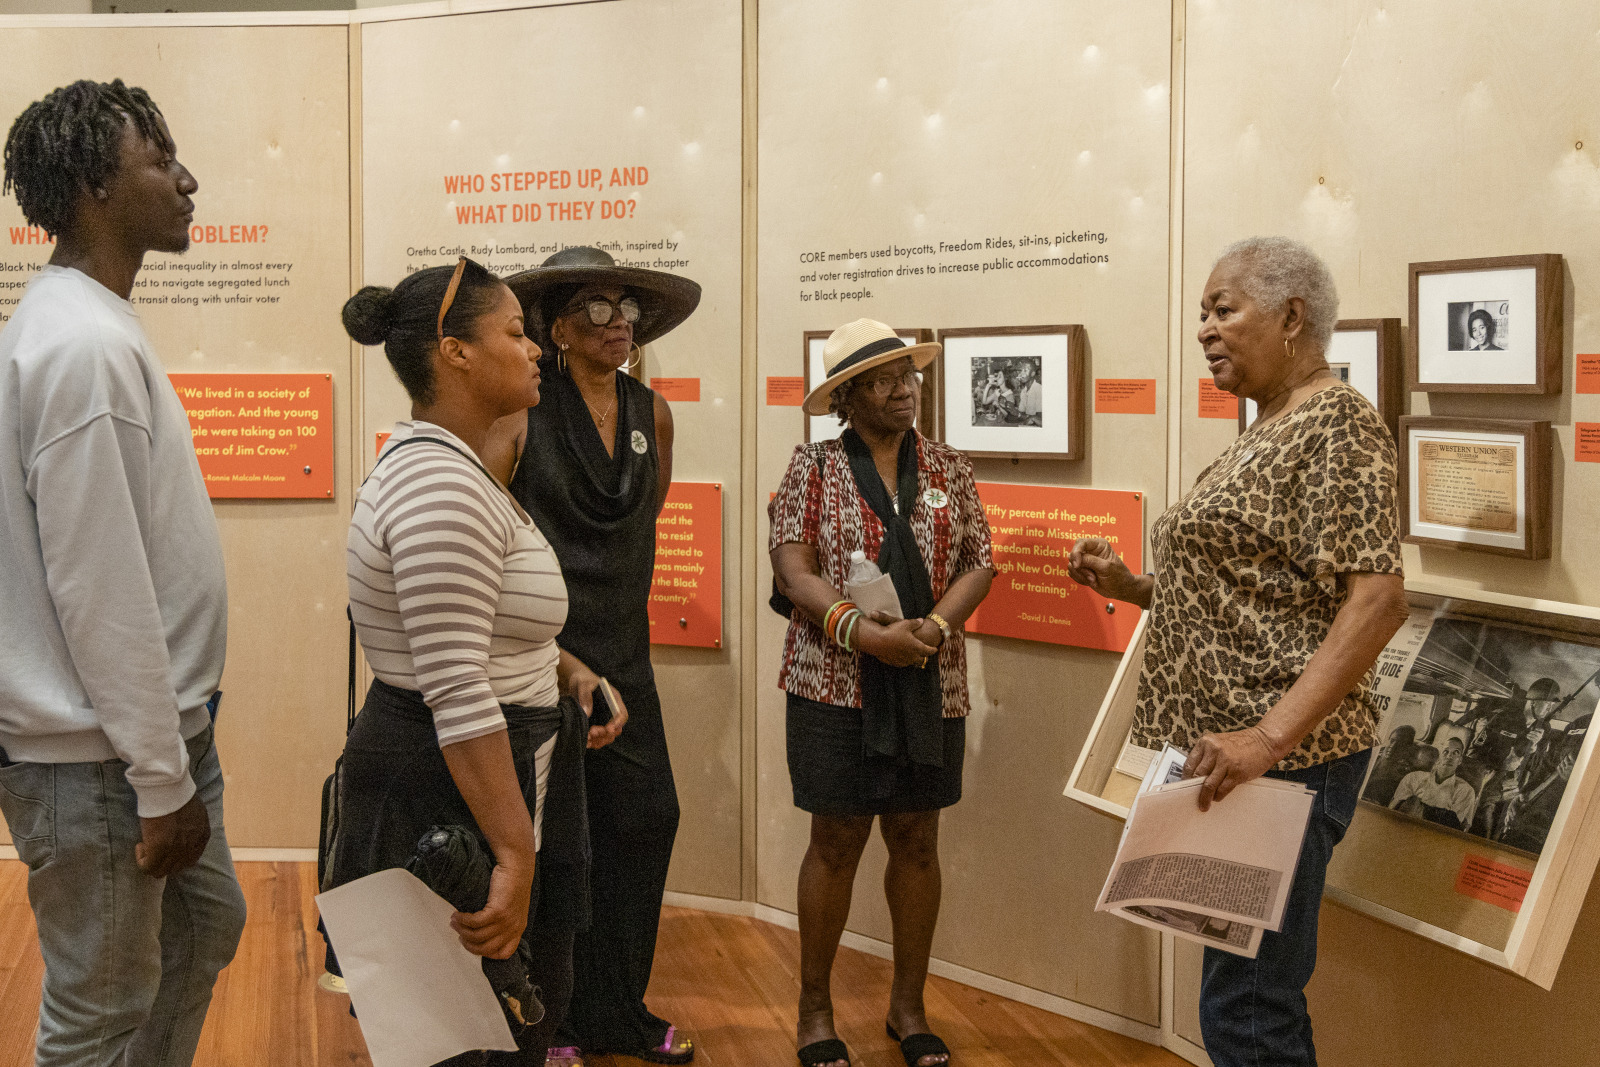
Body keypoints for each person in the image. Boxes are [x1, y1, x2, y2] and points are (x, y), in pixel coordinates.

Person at [1067, 236, 1408, 1067]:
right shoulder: (1270, 425)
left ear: (1293, 317)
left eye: (1224, 310)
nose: (1205, 330)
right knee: (1240, 992)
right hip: (1233, 762)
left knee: (1249, 1003)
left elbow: (1378, 600)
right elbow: (1262, 589)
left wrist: (1267, 739)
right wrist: (1135, 584)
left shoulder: (1336, 421)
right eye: (1202, 314)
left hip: (1283, 765)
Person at [0, 79, 247, 1067]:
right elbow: (97, 586)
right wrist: (158, 777)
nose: (185, 179)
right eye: (159, 159)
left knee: (205, 925)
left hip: (142, 741)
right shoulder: (83, 345)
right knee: (98, 1013)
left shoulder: (80, 325)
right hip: (102, 759)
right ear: (98, 183)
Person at [330, 257, 625, 1066]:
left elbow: (478, 631)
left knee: (504, 1021)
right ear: (455, 352)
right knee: (466, 1038)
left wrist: (565, 668)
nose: (535, 351)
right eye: (517, 333)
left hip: (475, 772)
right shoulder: (441, 485)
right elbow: (457, 689)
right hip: (451, 783)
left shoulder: (455, 469)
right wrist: (516, 853)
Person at [489, 247, 701, 1067]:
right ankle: (555, 1021)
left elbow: (640, 525)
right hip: (547, 660)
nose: (619, 324)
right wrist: (554, 655)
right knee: (556, 843)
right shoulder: (523, 416)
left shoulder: (656, 413)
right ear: (559, 330)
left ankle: (621, 1008)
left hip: (628, 656)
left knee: (647, 819)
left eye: (627, 309)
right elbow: (502, 540)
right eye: (599, 309)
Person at [770, 318, 995, 1067]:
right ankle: (813, 1010)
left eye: (910, 374)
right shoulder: (814, 466)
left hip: (931, 682)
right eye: (884, 378)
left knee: (917, 841)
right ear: (847, 397)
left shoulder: (949, 468)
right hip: (833, 682)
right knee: (835, 842)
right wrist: (863, 634)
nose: (905, 389)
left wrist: (931, 627)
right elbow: (794, 569)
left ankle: (908, 1005)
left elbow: (978, 561)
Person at [1390, 736, 1477, 830]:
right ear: (1439, 757)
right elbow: (1392, 810)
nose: (1449, 756)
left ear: (1460, 760)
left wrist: (1417, 806)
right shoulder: (1413, 777)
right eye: (1446, 751)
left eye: (1456, 753)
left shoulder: (1466, 790)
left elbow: (1451, 826)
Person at [1361, 725, 1420, 806]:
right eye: (1392, 741)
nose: (1393, 746)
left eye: (1400, 744)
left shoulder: (1401, 777)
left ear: (1407, 749)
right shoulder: (1371, 757)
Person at [1012, 359, 1042, 425]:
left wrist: (1033, 418)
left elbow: (1042, 420)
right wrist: (1012, 410)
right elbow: (1022, 415)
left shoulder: (1039, 389)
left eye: (1025, 370)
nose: (1021, 374)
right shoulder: (1023, 391)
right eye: (1020, 371)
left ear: (1032, 373)